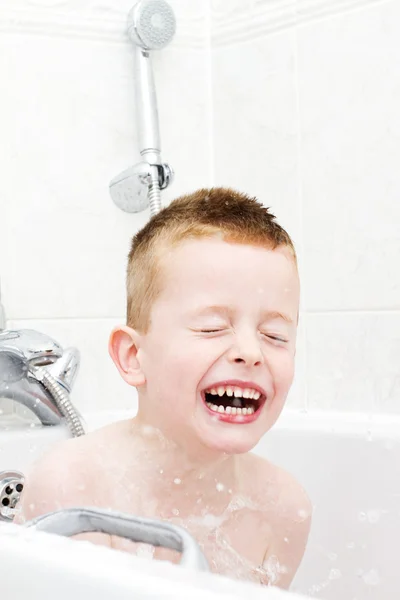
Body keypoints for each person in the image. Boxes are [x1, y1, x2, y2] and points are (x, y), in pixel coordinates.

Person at [15, 187, 312, 588]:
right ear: (134, 357)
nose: (250, 351)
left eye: (275, 335)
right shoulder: (72, 485)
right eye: (212, 327)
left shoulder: (283, 509)